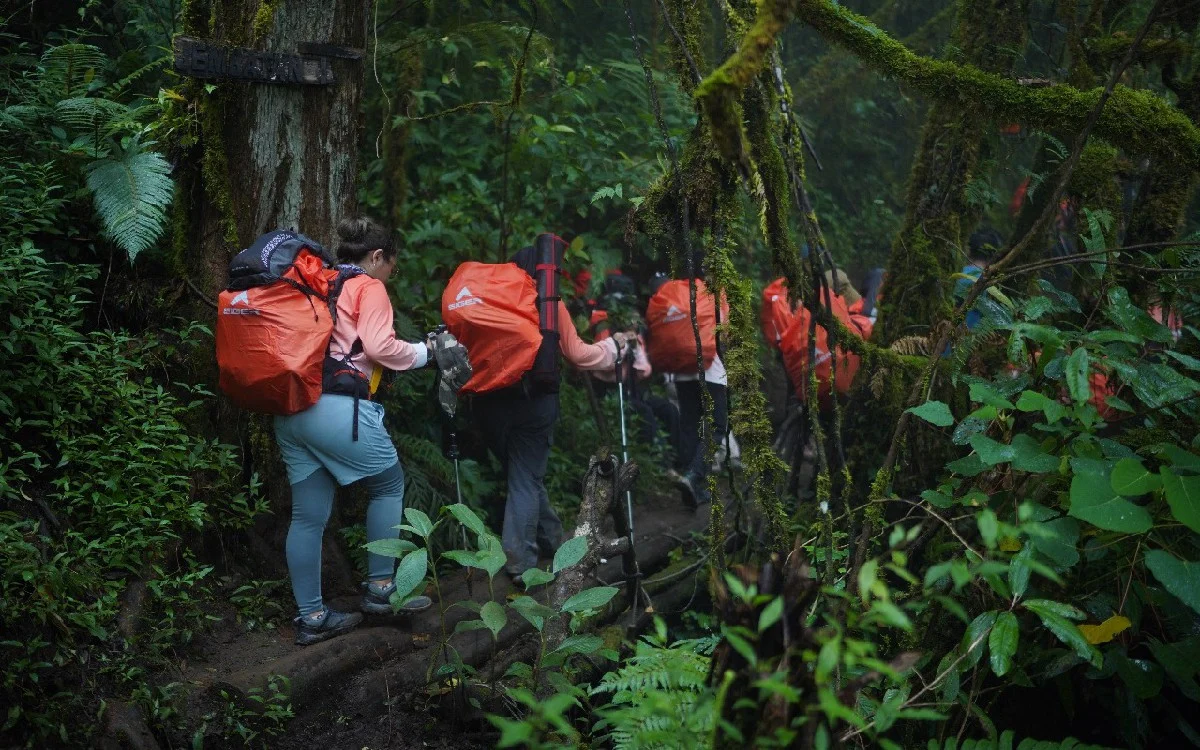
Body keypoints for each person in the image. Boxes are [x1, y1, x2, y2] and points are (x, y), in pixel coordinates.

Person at [273, 217, 433, 646]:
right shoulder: (369, 287)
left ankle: (311, 617)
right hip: (337, 409)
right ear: (377, 257)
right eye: (391, 266)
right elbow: (380, 347)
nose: (390, 275)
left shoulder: (315, 279)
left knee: (307, 516)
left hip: (291, 408)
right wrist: (426, 351)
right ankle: (382, 590)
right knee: (388, 486)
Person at [471, 240, 634, 579]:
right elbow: (578, 354)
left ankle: (552, 538)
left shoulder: (489, 298)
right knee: (526, 479)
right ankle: (519, 562)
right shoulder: (546, 302)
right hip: (534, 401)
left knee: (523, 476)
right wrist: (612, 347)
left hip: (487, 401)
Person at [645, 272, 728, 508]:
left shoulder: (667, 299)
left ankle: (690, 489)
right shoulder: (708, 295)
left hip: (680, 371)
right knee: (717, 425)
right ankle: (695, 476)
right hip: (710, 370)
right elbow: (724, 332)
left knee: (690, 425)